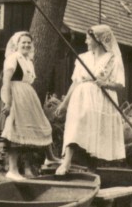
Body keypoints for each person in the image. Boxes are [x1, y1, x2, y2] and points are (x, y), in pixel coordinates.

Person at [54, 24, 125, 175]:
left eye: (88, 38)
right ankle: (66, 163)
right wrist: (64, 104)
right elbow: (75, 82)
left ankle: (92, 169)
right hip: (80, 98)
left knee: (95, 133)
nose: (86, 42)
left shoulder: (113, 59)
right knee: (76, 125)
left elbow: (119, 85)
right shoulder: (82, 58)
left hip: (101, 99)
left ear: (98, 40)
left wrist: (105, 83)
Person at [0, 32, 52, 180]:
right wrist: (8, 102)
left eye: (29, 42)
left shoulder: (28, 60)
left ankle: (29, 167)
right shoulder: (13, 58)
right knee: (15, 130)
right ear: (17, 44)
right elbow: (6, 81)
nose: (27, 45)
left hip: (27, 98)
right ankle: (12, 169)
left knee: (30, 132)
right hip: (15, 96)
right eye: (23, 43)